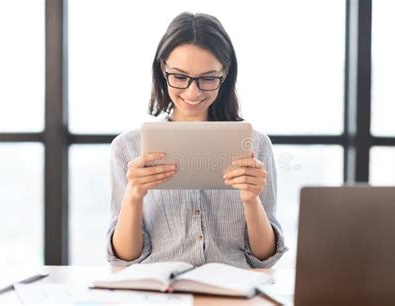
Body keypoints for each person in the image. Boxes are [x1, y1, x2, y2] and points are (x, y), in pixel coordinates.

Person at [107, 12, 287, 268]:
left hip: (230, 290)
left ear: (224, 74)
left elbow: (264, 257)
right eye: (179, 77)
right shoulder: (127, 148)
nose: (193, 92)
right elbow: (124, 258)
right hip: (161, 293)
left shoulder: (255, 145)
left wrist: (250, 199)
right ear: (163, 69)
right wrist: (134, 195)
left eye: (208, 79)